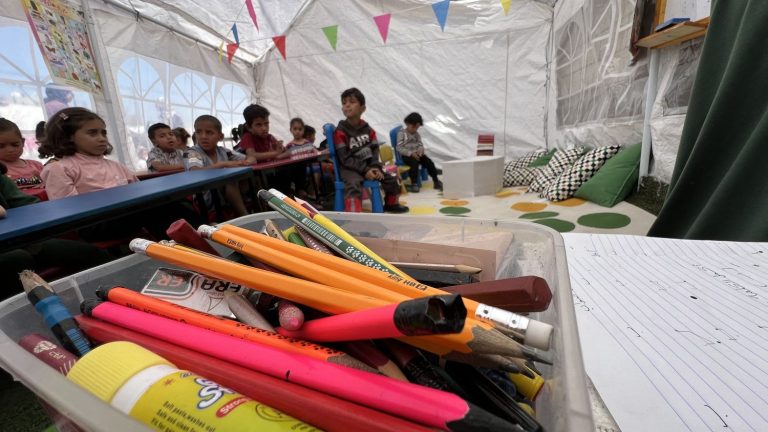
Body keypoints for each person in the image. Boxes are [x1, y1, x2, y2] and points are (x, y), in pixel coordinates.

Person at [39, 107, 203, 241]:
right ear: (68, 137)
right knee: (151, 208)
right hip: (93, 224)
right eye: (92, 133)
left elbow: (141, 192)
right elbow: (68, 211)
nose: (102, 138)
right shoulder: (59, 169)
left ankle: (203, 236)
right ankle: (191, 245)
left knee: (171, 202)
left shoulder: (115, 165)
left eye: (103, 133)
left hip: (128, 214)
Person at [0, 161, 114, 301]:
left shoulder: (2, 179)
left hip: (21, 242)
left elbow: (28, 205)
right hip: (12, 253)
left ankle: (118, 297)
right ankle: (19, 316)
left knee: (91, 254)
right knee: (17, 260)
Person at [334, 88, 408, 213]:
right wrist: (365, 169)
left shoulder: (369, 130)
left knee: (391, 178)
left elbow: (375, 151)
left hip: (369, 166)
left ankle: (391, 204)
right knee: (353, 183)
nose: (347, 105)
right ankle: (354, 214)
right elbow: (344, 158)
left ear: (363, 108)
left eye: (352, 102)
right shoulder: (340, 131)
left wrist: (375, 167)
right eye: (344, 103)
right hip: (350, 169)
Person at [236, 104, 307, 198]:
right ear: (249, 128)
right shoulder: (248, 137)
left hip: (271, 171)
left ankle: (298, 191)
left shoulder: (269, 137)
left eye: (266, 123)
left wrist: (282, 149)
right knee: (283, 172)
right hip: (259, 176)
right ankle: (288, 197)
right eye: (259, 125)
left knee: (299, 164)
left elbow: (281, 151)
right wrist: (276, 153)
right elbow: (253, 155)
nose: (264, 128)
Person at [184, 115, 249, 217]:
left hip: (222, 196)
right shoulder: (191, 152)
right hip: (204, 197)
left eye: (209, 132)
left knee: (247, 175)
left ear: (220, 136)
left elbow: (248, 159)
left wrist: (243, 163)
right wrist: (223, 164)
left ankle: (249, 208)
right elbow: (195, 171)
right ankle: (244, 216)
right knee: (230, 180)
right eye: (198, 132)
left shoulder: (223, 151)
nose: (203, 136)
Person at [396, 112, 443, 193]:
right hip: (407, 156)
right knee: (414, 163)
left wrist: (420, 150)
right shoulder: (402, 133)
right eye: (413, 127)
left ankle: (436, 181)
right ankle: (414, 183)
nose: (415, 129)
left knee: (429, 162)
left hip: (417, 154)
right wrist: (411, 153)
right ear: (407, 123)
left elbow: (420, 144)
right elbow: (399, 147)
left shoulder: (416, 134)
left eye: (417, 128)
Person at [0, 118, 45, 197]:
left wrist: (47, 183)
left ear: (23, 142)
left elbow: (53, 183)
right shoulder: (1, 170)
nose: (10, 150)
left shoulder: (37, 165)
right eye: (1, 146)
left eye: (15, 145)